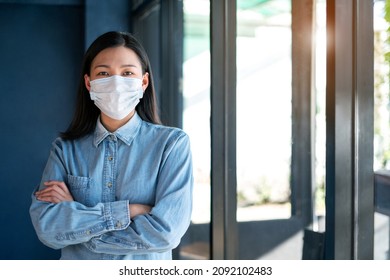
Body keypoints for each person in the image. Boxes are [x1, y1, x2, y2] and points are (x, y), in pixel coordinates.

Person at [29, 31, 194, 260]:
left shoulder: (172, 145)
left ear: (143, 82)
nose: (116, 82)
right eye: (104, 73)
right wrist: (129, 211)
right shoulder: (65, 149)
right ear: (89, 82)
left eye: (127, 73)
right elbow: (47, 228)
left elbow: (165, 234)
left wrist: (80, 220)